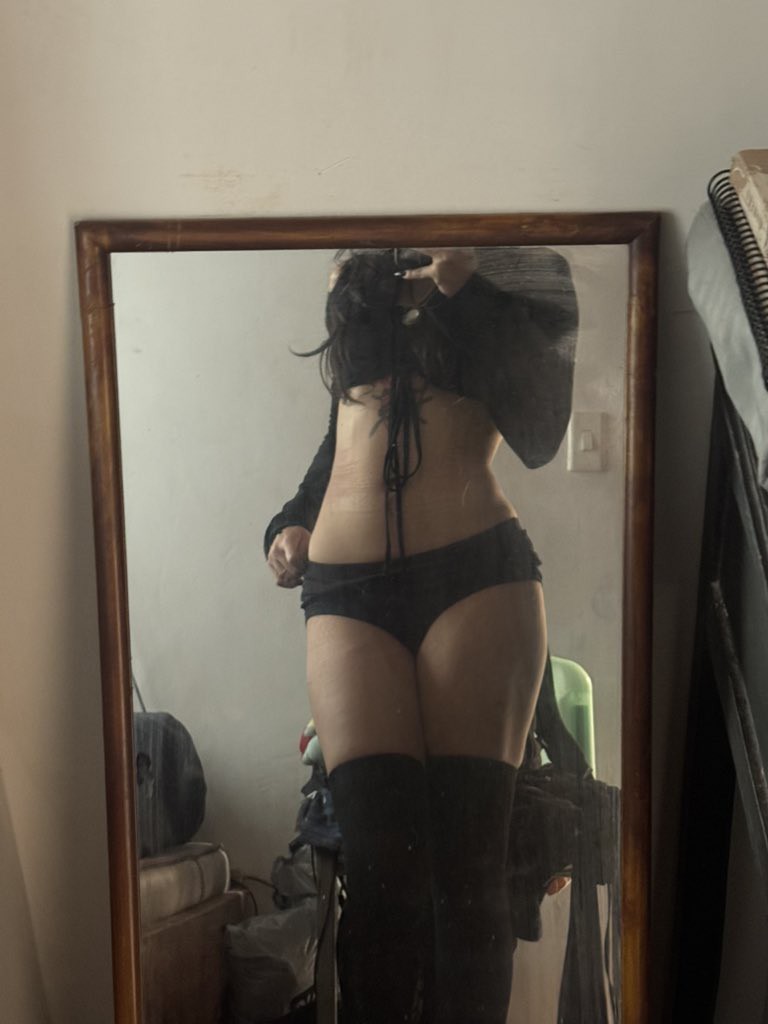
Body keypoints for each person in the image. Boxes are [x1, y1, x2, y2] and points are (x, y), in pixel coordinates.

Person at [265, 246, 578, 1024]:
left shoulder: (525, 262)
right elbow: (348, 425)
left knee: (469, 879)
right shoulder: (365, 254)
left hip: (474, 578)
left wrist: (463, 288)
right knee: (379, 879)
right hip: (345, 591)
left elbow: (540, 430)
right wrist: (293, 518)